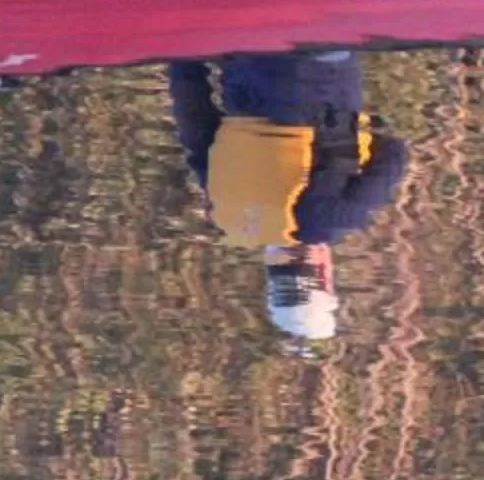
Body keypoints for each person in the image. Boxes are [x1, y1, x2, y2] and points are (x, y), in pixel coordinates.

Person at [168, 46, 411, 353]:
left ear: (325, 277)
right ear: (271, 277)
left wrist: (356, 145)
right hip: (240, 62)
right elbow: (194, 117)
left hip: (324, 63)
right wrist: (184, 56)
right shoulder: (227, 216)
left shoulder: (336, 220)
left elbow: (395, 154)